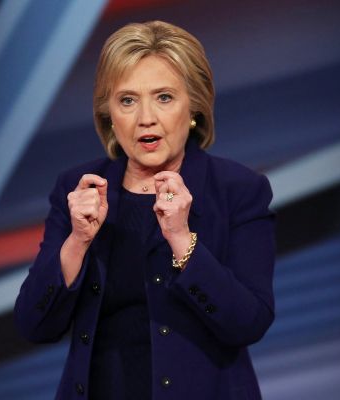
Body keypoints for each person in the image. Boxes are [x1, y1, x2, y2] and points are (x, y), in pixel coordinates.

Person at [14, 20, 276, 400]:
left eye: (164, 97)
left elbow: (247, 323)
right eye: (127, 100)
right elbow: (33, 325)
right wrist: (77, 240)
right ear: (108, 114)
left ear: (194, 108)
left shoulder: (238, 191)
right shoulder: (78, 189)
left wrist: (182, 241)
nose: (145, 118)